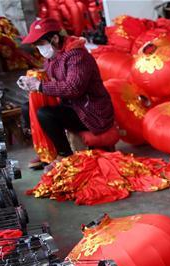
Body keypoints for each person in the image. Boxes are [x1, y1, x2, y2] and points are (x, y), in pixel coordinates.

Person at [17, 17, 114, 168]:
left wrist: (39, 85)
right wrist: (31, 80)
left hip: (90, 111)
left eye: (41, 44)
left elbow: (73, 88)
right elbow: (52, 76)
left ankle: (65, 156)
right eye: (36, 45)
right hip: (71, 105)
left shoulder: (77, 56)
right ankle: (47, 150)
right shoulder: (52, 57)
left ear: (55, 38)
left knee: (45, 114)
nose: (39, 48)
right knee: (26, 108)